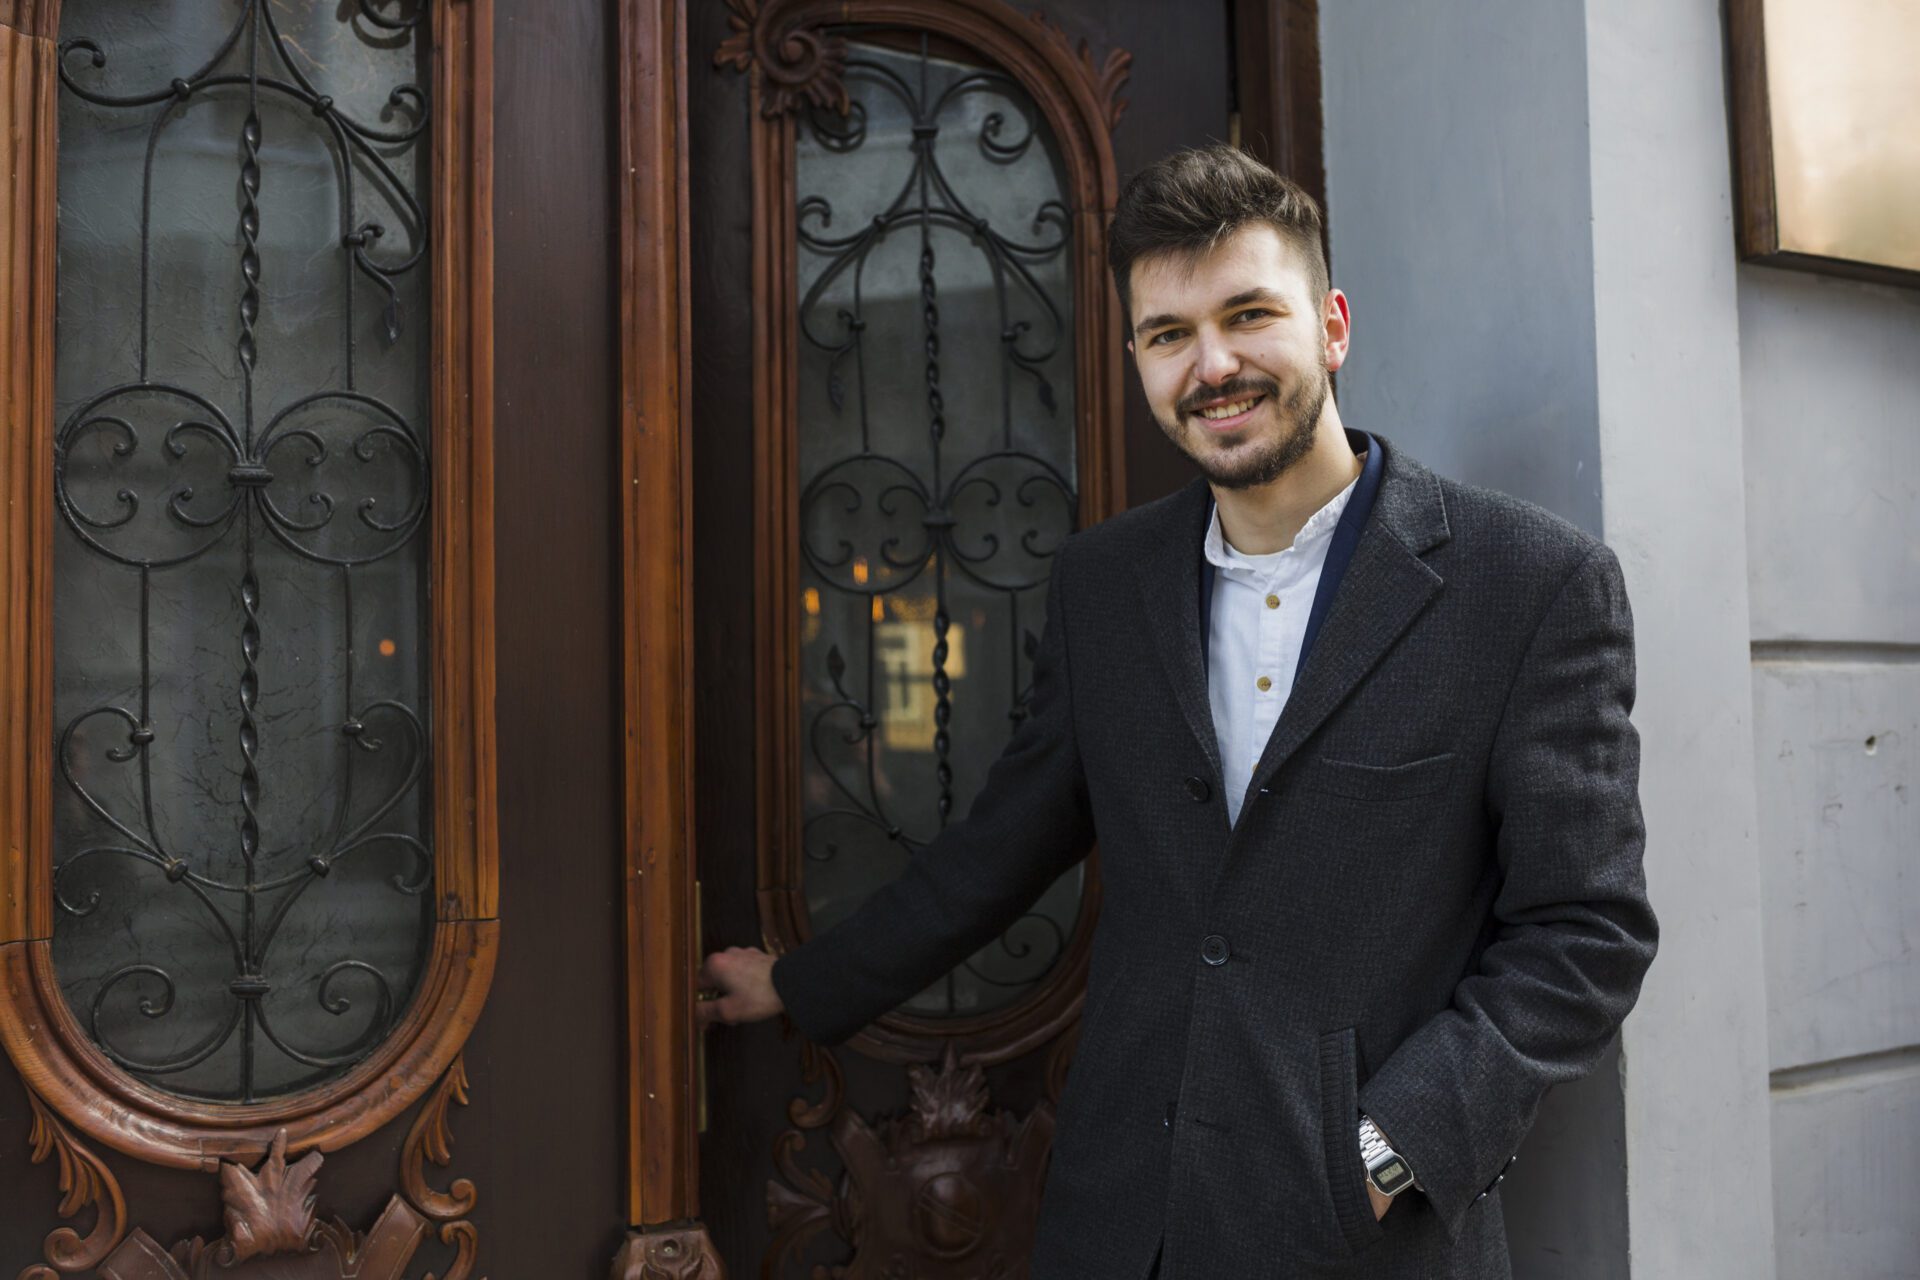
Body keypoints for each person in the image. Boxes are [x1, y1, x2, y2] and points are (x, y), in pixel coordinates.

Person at [698, 144, 1658, 1279]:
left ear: (1333, 324)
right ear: (1139, 359)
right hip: (1122, 1218)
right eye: (1168, 334)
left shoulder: (1531, 584)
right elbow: (1004, 844)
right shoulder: (1104, 586)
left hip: (1367, 1238)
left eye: (1248, 314)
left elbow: (1585, 931)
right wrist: (806, 982)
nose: (1213, 365)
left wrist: (1391, 1148)